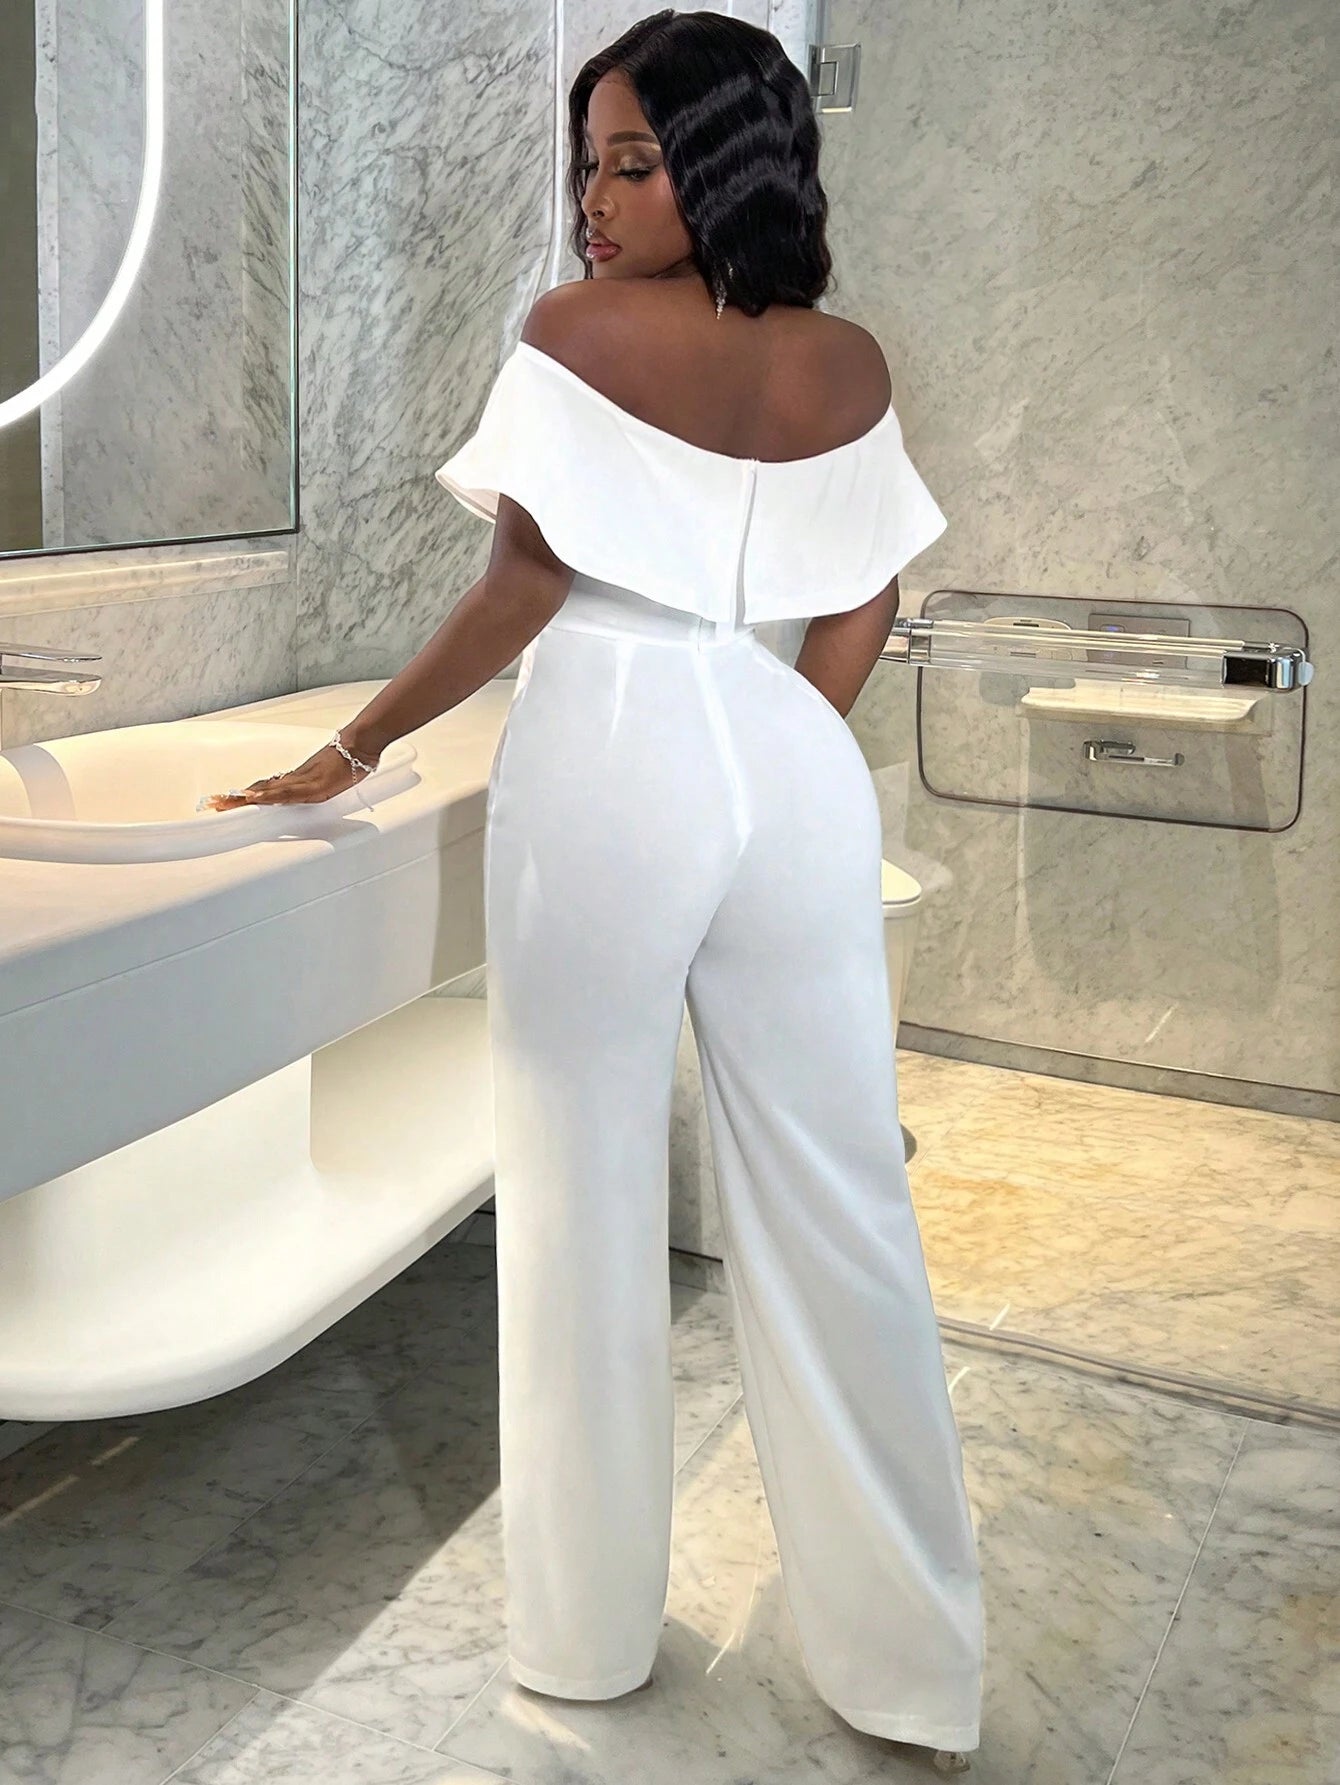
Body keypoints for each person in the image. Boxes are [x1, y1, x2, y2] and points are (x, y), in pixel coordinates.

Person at [206, 11, 984, 1771]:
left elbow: (520, 590)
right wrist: (777, 744)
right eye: (589, 165)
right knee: (845, 1200)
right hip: (788, 760)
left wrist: (355, 741)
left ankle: (587, 1636)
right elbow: (865, 592)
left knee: (581, 1185)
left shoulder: (576, 334)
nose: (594, 202)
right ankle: (912, 1665)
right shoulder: (849, 361)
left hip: (614, 744)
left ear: (722, 164)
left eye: (634, 163)